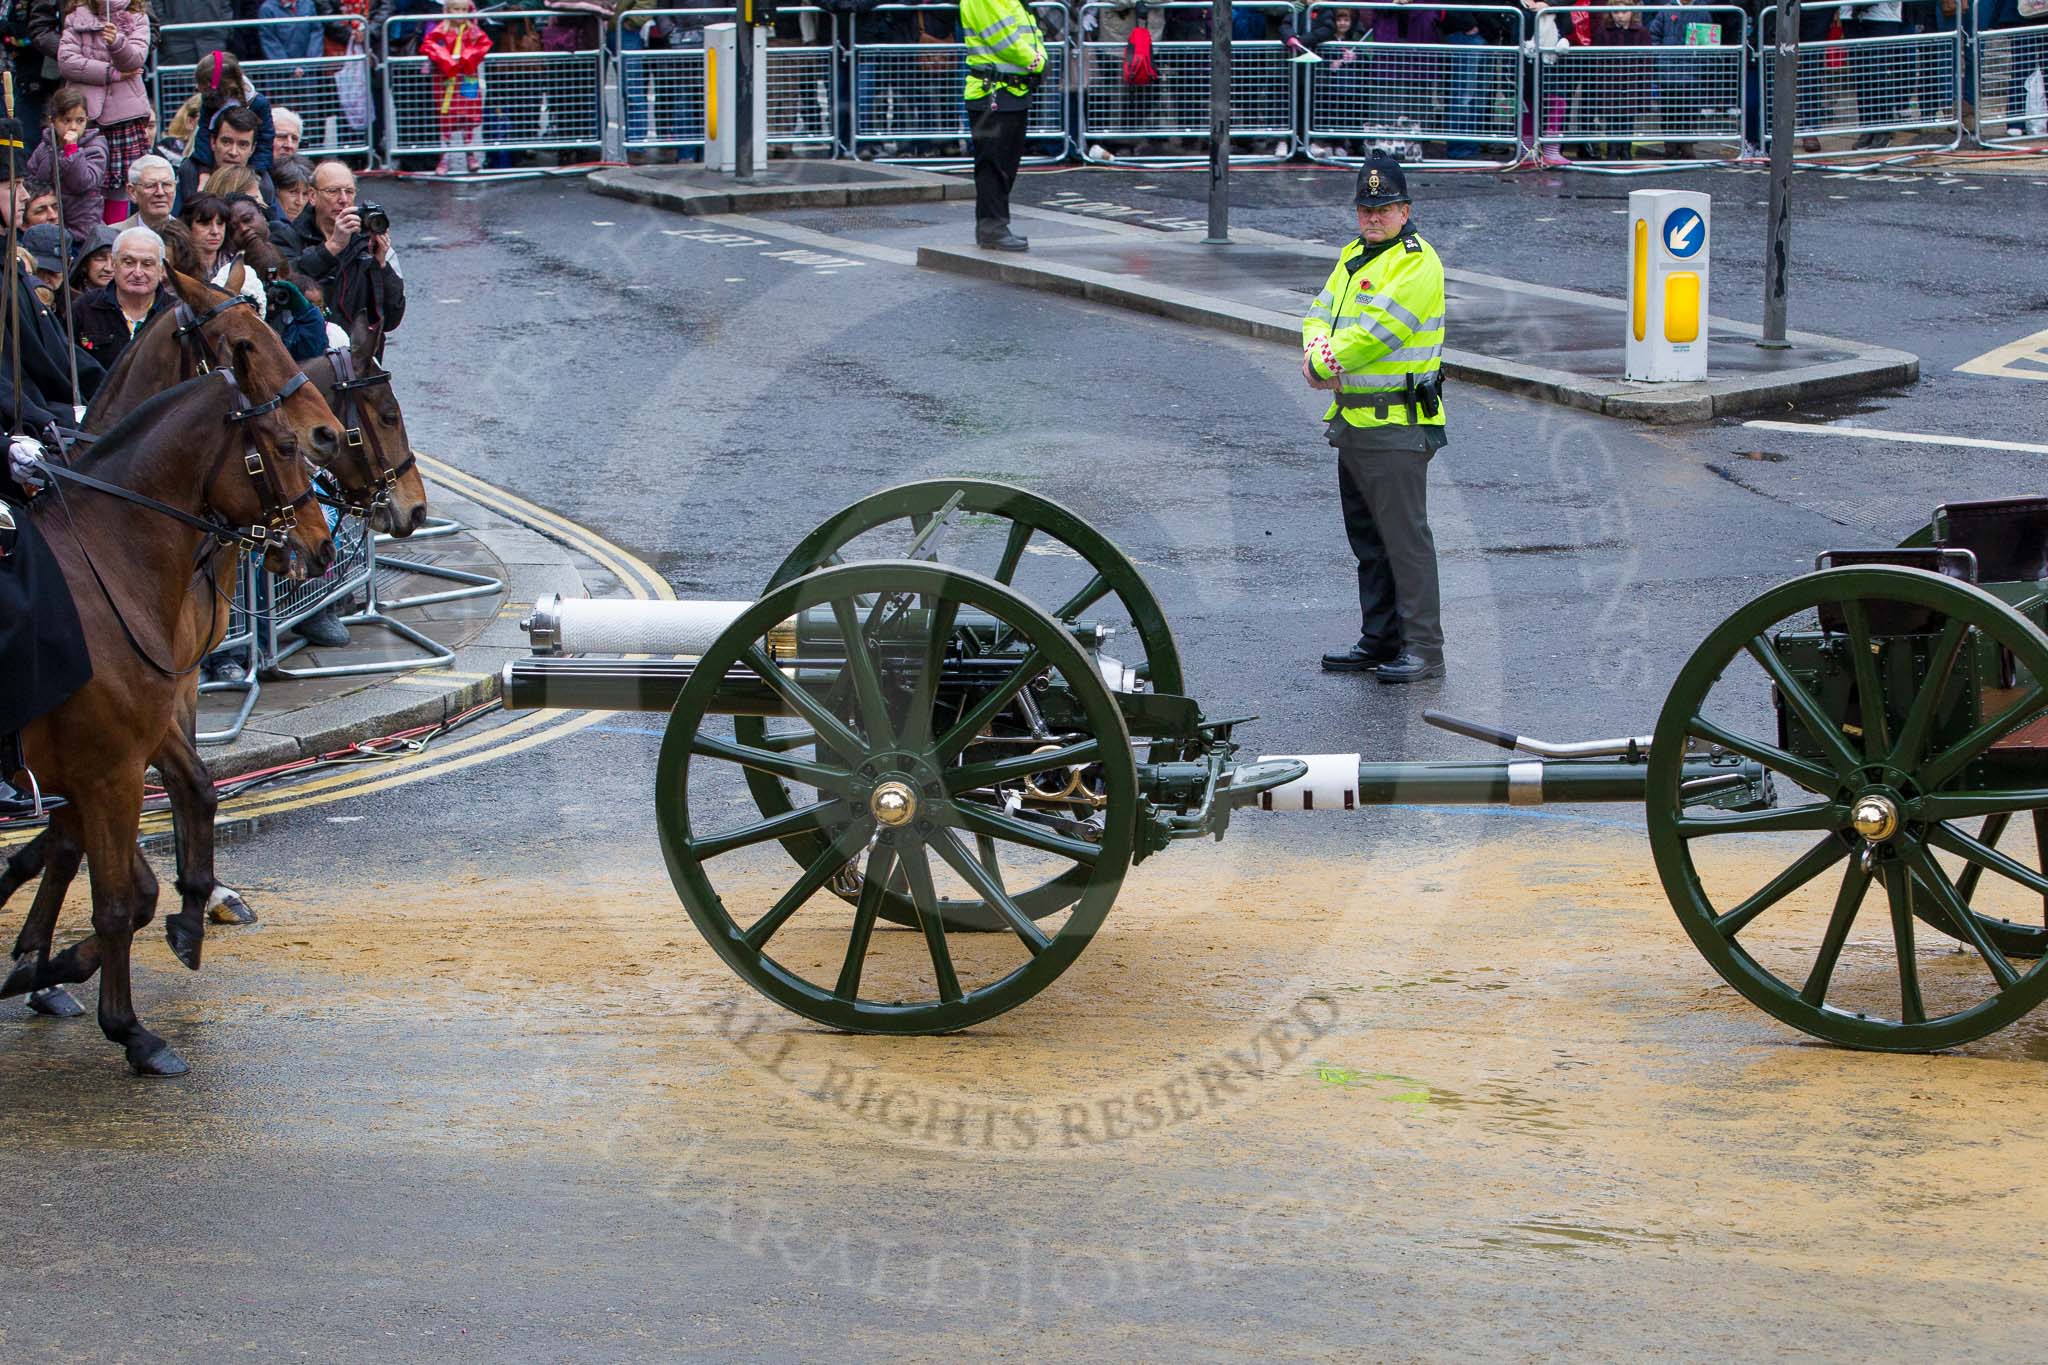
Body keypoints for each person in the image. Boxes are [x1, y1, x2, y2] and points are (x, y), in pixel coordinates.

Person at [1303, 154, 1447, 684]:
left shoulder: (1416, 262)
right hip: (1354, 421)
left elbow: (1377, 334)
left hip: (1398, 424)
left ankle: (1425, 649)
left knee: (1405, 541)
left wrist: (1320, 362)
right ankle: (1381, 638)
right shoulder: (1353, 256)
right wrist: (1316, 349)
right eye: (1366, 208)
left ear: (1405, 210)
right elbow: (1318, 313)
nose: (1373, 217)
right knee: (1369, 541)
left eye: (1384, 208)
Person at [56, 0, 151, 223]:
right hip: (85, 118)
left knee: (119, 186)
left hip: (123, 118)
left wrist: (117, 42)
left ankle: (113, 238)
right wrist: (110, 73)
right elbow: (67, 61)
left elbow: (135, 60)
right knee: (84, 184)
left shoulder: (137, 18)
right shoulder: (76, 17)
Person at [960, 0, 1044, 251]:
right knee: (992, 163)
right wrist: (1038, 63)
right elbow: (1004, 40)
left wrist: (1037, 60)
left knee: (1006, 163)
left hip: (1009, 91)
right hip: (990, 93)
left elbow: (1030, 33)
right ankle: (991, 227)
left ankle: (996, 225)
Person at [293, 158, 403, 332]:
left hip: (359, 352)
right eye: (333, 191)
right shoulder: (289, 235)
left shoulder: (367, 240)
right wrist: (333, 247)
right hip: (308, 348)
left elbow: (392, 318)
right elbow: (288, 282)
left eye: (349, 191)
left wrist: (381, 265)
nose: (343, 199)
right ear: (312, 196)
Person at [70, 222, 171, 366]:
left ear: (162, 269)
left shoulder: (176, 312)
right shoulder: (84, 308)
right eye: (128, 262)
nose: (137, 273)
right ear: (115, 264)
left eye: (147, 264)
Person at [26, 88, 108, 243]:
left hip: (82, 228)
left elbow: (83, 183)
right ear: (52, 121)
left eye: (80, 120)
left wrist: (72, 151)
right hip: (50, 223)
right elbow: (31, 179)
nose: (73, 127)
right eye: (66, 120)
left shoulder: (95, 147)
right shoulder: (45, 147)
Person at [420, 0, 492, 174]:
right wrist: (445, 58)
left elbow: (484, 44)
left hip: (468, 78)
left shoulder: (473, 30)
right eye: (456, 10)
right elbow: (428, 44)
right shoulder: (440, 30)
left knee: (468, 115)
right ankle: (444, 156)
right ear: (447, 10)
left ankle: (470, 154)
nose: (460, 14)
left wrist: (469, 56)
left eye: (463, 10)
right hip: (446, 80)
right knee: (446, 117)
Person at [186, 49, 277, 177]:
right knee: (188, 170)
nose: (198, 88)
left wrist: (255, 174)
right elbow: (203, 134)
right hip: (213, 165)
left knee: (266, 187)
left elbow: (265, 142)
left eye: (204, 86)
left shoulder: (258, 103)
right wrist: (204, 171)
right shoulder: (210, 101)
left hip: (249, 169)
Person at [176, 103, 274, 211]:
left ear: (252, 149)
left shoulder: (263, 184)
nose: (233, 152)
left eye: (242, 145)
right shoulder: (191, 172)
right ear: (213, 142)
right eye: (226, 142)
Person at [126, 153, 176, 231]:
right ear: (132, 192)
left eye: (167, 184)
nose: (160, 192)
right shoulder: (113, 236)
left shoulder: (190, 237)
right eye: (150, 185)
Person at [69, 221, 119, 293]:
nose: (108, 268)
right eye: (100, 259)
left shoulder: (133, 300)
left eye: (115, 260)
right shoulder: (66, 298)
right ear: (85, 264)